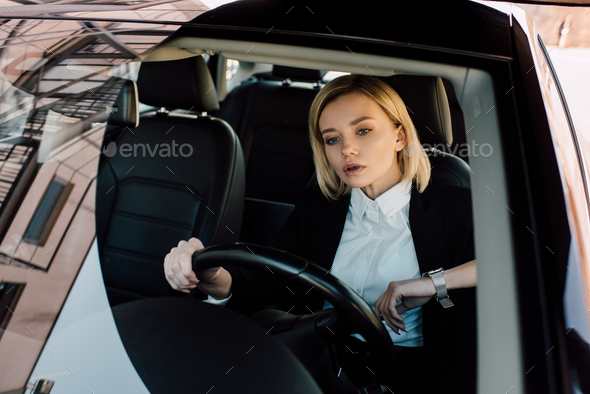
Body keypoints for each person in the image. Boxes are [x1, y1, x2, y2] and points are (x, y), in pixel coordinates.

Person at [164, 74, 477, 394]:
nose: (348, 149)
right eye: (332, 139)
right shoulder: (317, 207)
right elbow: (268, 276)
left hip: (413, 375)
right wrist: (212, 274)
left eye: (363, 130)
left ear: (399, 137)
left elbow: (517, 263)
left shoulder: (455, 208)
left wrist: (434, 282)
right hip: (317, 363)